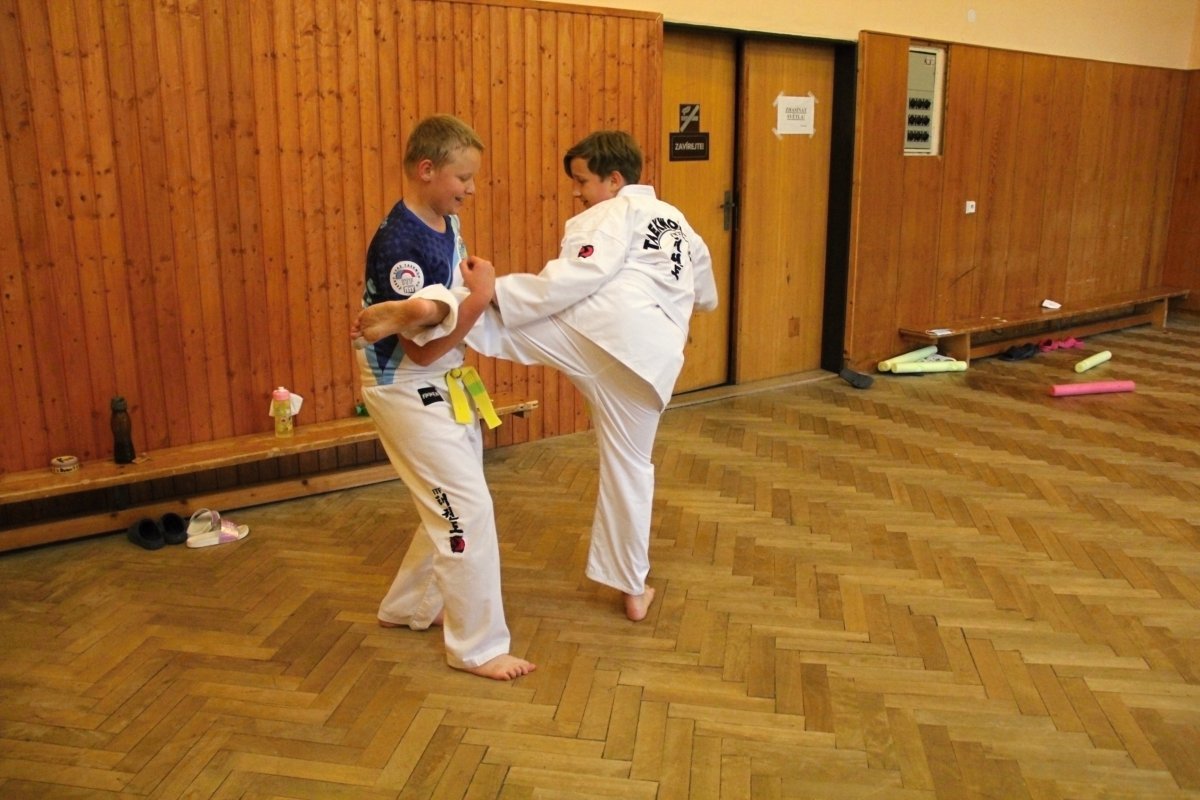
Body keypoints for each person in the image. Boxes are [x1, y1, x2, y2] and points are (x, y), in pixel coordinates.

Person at [375, 130, 717, 622]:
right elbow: (706, 294)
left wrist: (499, 293)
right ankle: (633, 588)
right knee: (631, 469)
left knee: (493, 315)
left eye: (582, 181)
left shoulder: (613, 210)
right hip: (654, 360)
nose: (577, 192)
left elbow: (579, 275)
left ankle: (428, 308)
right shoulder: (680, 223)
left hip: (602, 332)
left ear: (614, 180)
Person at [350, 114, 535, 681]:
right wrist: (476, 298)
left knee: (452, 501)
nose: (471, 190)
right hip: (406, 384)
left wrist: (466, 297)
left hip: (444, 379)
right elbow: (422, 352)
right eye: (463, 178)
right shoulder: (400, 244)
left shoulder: (443, 220)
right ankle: (477, 647)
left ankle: (409, 605)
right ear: (426, 169)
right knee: (466, 510)